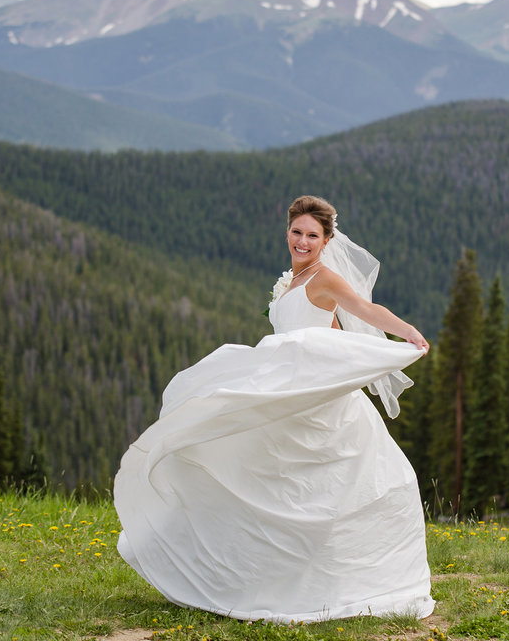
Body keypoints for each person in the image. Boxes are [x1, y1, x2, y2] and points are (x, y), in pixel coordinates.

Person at [114, 195, 435, 623]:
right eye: (297, 232)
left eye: (312, 235)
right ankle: (239, 575)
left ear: (326, 240)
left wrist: (408, 333)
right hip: (284, 386)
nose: (302, 241)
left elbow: (365, 309)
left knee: (321, 490)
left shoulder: (325, 278)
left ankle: (330, 584)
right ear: (288, 232)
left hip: (312, 401)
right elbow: (332, 330)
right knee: (247, 471)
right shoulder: (291, 281)